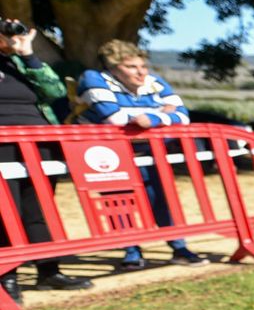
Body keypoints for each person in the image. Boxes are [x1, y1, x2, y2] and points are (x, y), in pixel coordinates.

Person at [77, 40, 207, 269]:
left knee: (161, 196)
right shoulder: (93, 78)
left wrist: (151, 119)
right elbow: (115, 118)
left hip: (149, 149)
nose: (141, 72)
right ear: (113, 68)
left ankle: (179, 247)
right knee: (118, 200)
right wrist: (161, 114)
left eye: (143, 66)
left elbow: (183, 117)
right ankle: (131, 250)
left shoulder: (154, 82)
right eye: (131, 67)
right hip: (109, 152)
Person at [0, 20, 93, 302]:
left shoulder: (18, 63)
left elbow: (55, 92)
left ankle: (48, 271)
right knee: (6, 211)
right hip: (2, 143)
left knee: (38, 208)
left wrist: (26, 53)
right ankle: (7, 276)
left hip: (39, 141)